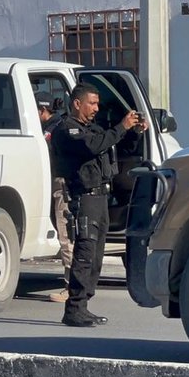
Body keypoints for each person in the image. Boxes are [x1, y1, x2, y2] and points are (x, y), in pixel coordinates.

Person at [51, 83, 145, 327]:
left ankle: (83, 306)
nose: (96, 108)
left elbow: (118, 146)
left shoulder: (93, 129)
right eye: (92, 103)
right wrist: (121, 126)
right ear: (77, 104)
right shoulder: (67, 130)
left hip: (101, 197)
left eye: (97, 104)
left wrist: (134, 131)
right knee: (85, 253)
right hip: (83, 197)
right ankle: (74, 308)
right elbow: (92, 146)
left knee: (95, 256)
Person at [37, 95, 71, 303]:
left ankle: (71, 288)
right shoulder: (55, 126)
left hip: (61, 183)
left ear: (43, 110)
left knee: (66, 232)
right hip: (56, 182)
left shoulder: (55, 129)